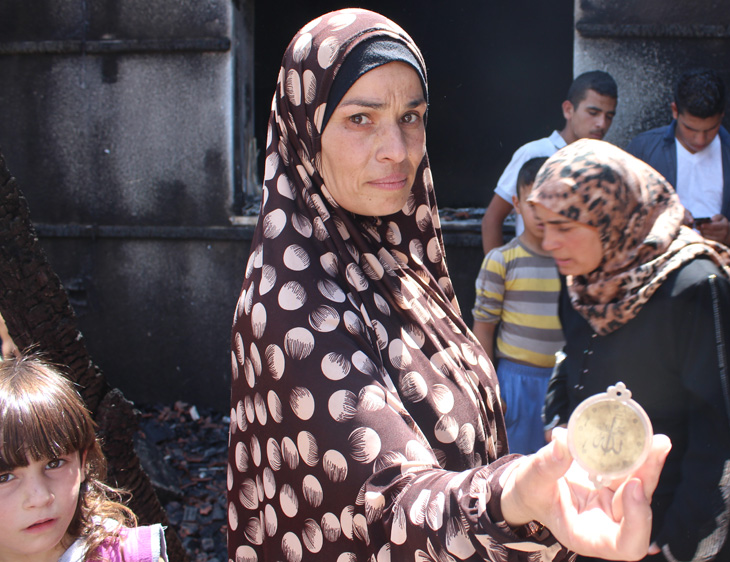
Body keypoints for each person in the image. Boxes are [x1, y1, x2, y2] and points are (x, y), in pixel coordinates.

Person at [227, 10, 670, 561]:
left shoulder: (397, 265)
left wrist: (539, 497)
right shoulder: (294, 304)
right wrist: (512, 499)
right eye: (361, 119)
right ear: (303, 132)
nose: (397, 147)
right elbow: (386, 503)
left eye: (411, 116)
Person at [532, 139, 730, 561]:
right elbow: (570, 358)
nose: (549, 242)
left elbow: (720, 432)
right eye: (543, 225)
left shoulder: (694, 287)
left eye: (564, 226)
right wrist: (558, 425)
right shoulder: (586, 276)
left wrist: (678, 540)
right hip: (588, 508)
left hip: (661, 522)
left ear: (612, 219)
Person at [0, 354, 168, 562]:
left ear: (83, 463)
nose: (40, 498)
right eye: (4, 477)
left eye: (54, 464)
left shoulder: (127, 556)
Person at [626, 68, 730, 254]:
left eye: (710, 129)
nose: (700, 140)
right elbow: (621, 216)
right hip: (656, 271)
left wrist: (729, 232)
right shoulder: (643, 149)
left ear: (722, 117)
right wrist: (667, 219)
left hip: (717, 269)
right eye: (690, 129)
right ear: (675, 111)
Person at [472, 157, 562, 455]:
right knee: (517, 469)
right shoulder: (500, 261)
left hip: (562, 382)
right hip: (515, 383)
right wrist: (490, 387)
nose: (541, 213)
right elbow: (483, 329)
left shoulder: (573, 262)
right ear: (517, 204)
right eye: (533, 203)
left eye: (551, 202)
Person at [480, 71, 618, 253]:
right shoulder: (534, 152)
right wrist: (495, 275)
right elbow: (492, 219)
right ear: (568, 109)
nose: (601, 123)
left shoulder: (606, 162)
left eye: (609, 116)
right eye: (593, 113)